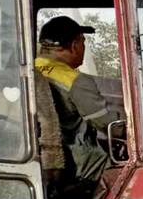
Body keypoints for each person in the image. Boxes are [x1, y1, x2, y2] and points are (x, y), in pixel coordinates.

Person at [34, 15, 124, 184]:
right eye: (83, 42)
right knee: (118, 173)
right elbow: (107, 125)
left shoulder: (30, 69)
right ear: (74, 45)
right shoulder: (74, 80)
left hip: (39, 159)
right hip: (77, 166)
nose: (83, 47)